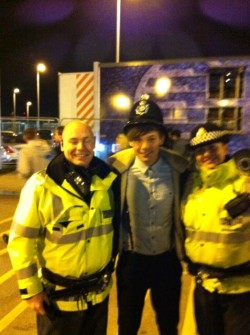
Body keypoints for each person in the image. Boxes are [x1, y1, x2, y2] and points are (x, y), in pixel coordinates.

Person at [8, 121, 118, 335]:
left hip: (97, 299)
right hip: (58, 303)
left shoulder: (106, 181)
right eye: (74, 141)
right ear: (61, 142)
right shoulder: (41, 185)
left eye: (87, 141)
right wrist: (31, 290)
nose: (81, 147)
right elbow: (20, 241)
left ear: (94, 142)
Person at [108, 94, 188, 335]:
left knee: (168, 324)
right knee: (127, 325)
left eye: (151, 138)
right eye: (137, 139)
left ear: (162, 138)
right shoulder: (117, 173)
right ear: (130, 141)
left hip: (167, 261)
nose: (144, 146)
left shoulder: (179, 170)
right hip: (133, 262)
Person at [181, 122, 250, 335]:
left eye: (213, 148)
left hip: (241, 290)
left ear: (225, 148)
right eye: (201, 151)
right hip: (205, 287)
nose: (207, 154)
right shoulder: (190, 185)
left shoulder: (245, 180)